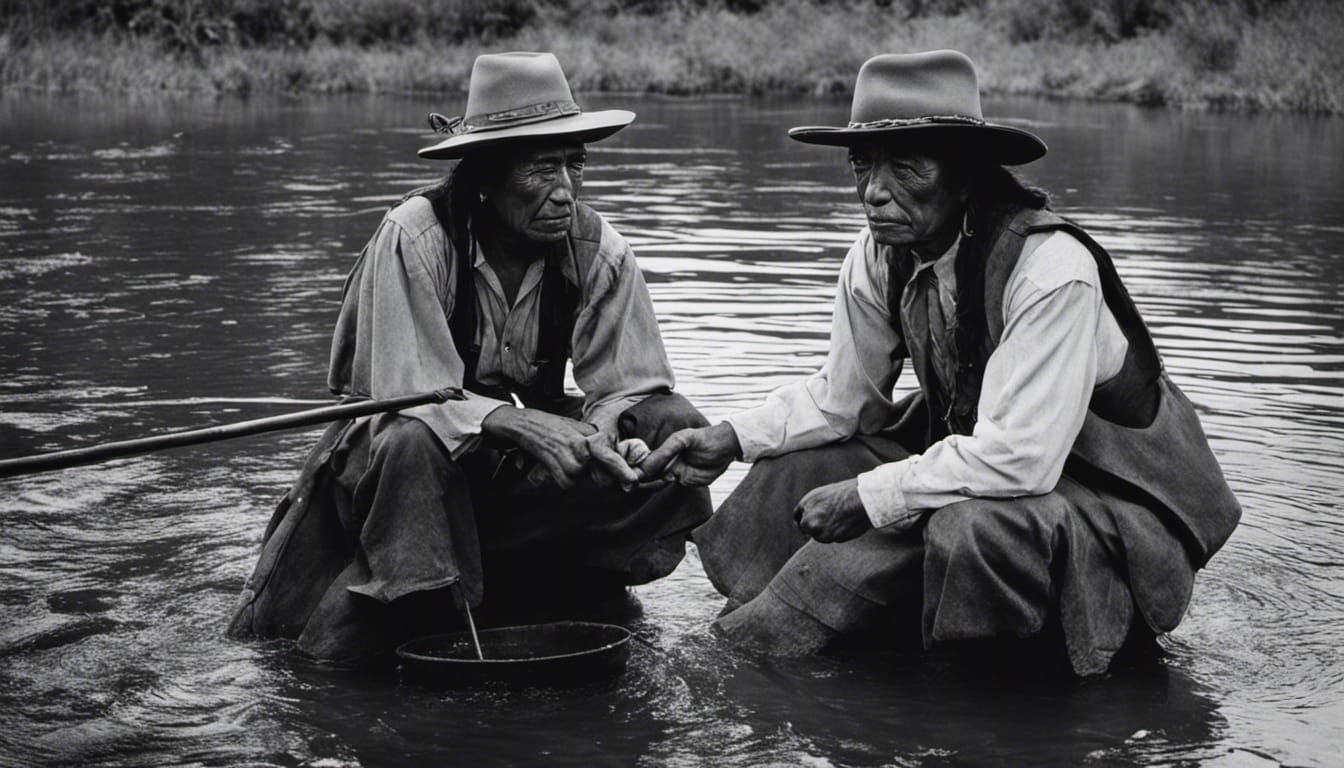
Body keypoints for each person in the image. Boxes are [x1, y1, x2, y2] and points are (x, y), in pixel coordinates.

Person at [639, 50, 1241, 675]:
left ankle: (992, 680)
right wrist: (730, 438)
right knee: (797, 469)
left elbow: (1023, 458)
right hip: (994, 465)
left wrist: (870, 495)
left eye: (906, 167)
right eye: (862, 164)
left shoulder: (1052, 270)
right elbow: (844, 398)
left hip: (1103, 501)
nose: (874, 192)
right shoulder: (879, 254)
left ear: (967, 175)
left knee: (972, 528)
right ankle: (840, 640)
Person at [227, 52, 712, 665]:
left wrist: (606, 435)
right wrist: (513, 423)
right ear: (486, 174)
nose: (565, 192)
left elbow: (629, 386)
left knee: (671, 421)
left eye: (574, 165)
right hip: (399, 455)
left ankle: (583, 574)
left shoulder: (597, 250)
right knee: (411, 443)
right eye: (542, 169)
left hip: (515, 465)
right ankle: (421, 606)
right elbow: (404, 392)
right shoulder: (416, 236)